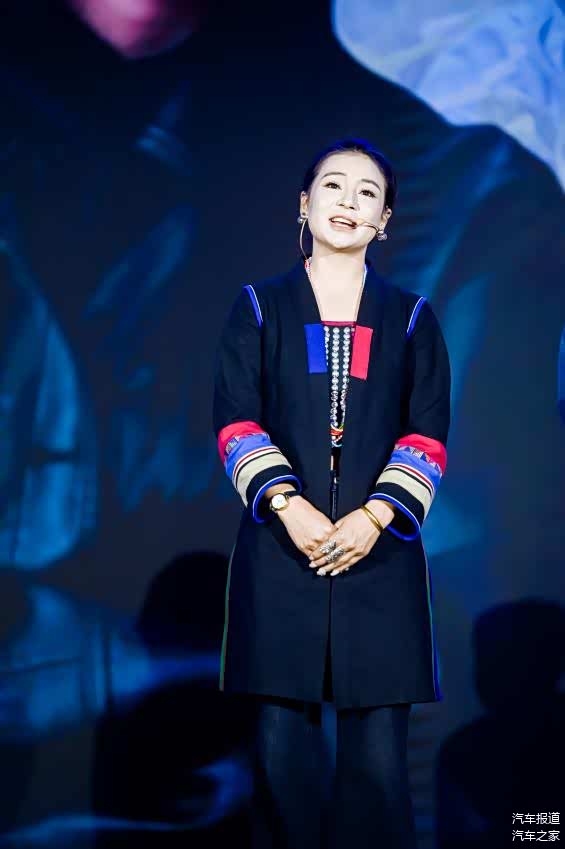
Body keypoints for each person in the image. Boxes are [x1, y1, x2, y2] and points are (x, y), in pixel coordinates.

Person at [212, 137, 451, 849]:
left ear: (384, 221)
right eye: (334, 185)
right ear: (304, 203)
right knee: (280, 761)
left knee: (377, 772)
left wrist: (374, 517)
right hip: (282, 551)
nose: (349, 202)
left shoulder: (410, 316)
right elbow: (236, 419)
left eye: (367, 192)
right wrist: (290, 508)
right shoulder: (259, 307)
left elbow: (427, 433)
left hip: (380, 558)